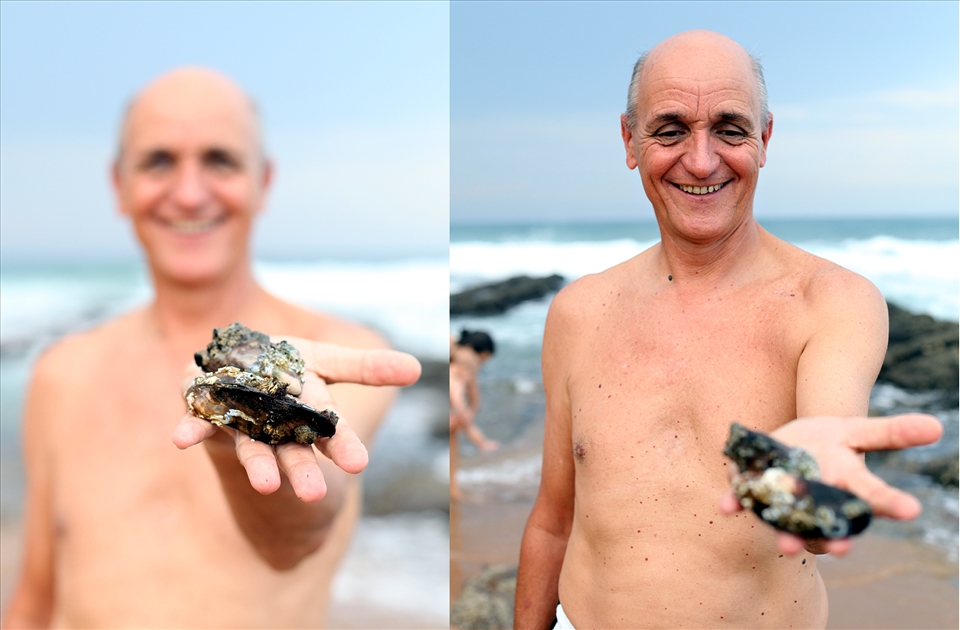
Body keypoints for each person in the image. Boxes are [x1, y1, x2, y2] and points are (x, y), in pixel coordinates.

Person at [513, 31, 943, 630]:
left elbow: (819, 503)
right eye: (669, 129)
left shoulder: (832, 302)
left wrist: (812, 491)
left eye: (730, 128)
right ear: (629, 140)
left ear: (764, 140)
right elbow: (552, 520)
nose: (701, 160)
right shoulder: (578, 311)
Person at [3, 67, 421, 629]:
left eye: (220, 159)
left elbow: (296, 534)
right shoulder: (61, 373)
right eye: (158, 161)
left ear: (263, 182)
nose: (190, 192)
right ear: (118, 186)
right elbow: (33, 599)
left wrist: (233, 438)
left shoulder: (344, 356)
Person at [449, 330, 499, 500]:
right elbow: (471, 396)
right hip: (453, 411)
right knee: (455, 437)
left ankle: (453, 490)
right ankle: (453, 491)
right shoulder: (468, 362)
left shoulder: (456, 350)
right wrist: (466, 414)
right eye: (485, 358)